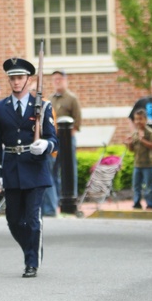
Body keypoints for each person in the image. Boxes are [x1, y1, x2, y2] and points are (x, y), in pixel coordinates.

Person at [0, 58, 56, 278]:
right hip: (12, 169)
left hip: (35, 168)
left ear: (28, 79)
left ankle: (31, 262)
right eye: (13, 78)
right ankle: (31, 247)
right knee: (14, 220)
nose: (16, 82)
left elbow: (53, 138)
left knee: (33, 218)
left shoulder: (43, 106)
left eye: (20, 78)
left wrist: (46, 145)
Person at [44, 69, 82, 216]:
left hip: (67, 139)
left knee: (69, 169)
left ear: (65, 80)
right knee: (53, 170)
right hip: (53, 139)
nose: (57, 81)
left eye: (60, 78)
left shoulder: (72, 98)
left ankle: (71, 198)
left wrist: (67, 138)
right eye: (55, 79)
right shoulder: (50, 99)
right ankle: (57, 200)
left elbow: (77, 122)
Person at [127, 109, 152, 210]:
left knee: (148, 186)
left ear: (145, 119)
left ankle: (151, 203)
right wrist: (129, 144)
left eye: (140, 119)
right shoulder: (135, 133)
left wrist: (142, 140)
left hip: (148, 164)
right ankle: (136, 203)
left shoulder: (149, 132)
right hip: (137, 164)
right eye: (136, 119)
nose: (138, 122)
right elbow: (132, 149)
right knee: (136, 185)